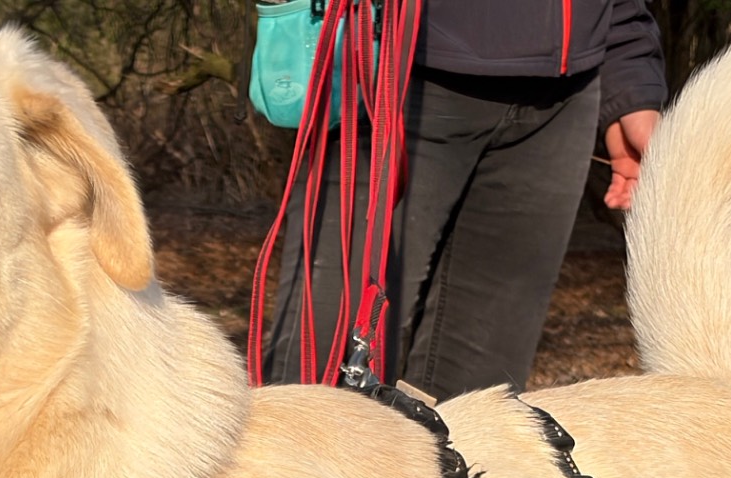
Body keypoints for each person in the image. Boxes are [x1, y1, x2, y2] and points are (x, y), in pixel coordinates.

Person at [260, 0, 667, 399]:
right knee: (322, 397)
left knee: (479, 420)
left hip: (562, 102)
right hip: (395, 75)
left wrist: (628, 74)